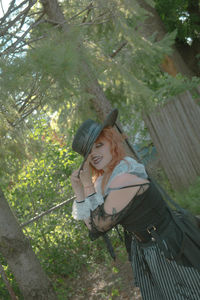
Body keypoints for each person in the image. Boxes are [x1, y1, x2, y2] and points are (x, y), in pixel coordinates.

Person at [70, 109, 200, 300]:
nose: (94, 154)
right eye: (89, 153)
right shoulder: (103, 179)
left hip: (169, 246)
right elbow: (92, 227)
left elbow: (99, 225)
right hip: (148, 250)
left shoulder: (126, 175)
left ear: (111, 143)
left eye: (99, 145)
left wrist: (87, 185)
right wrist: (80, 192)